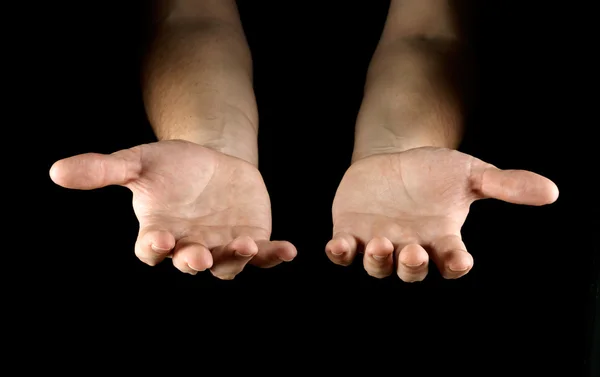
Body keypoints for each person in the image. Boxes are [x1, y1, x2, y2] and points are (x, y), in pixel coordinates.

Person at [49, 0, 558, 282]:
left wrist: (402, 149)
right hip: (212, 171)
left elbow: (427, 32)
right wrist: (209, 142)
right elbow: (192, 17)